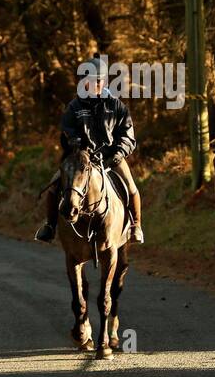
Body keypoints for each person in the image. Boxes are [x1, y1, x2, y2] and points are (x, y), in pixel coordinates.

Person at [35, 56, 144, 244]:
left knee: (131, 188)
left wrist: (119, 153)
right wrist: (77, 143)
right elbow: (67, 129)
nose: (93, 85)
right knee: (54, 187)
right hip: (82, 159)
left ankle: (136, 227)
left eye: (97, 81)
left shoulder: (116, 106)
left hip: (111, 158)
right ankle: (50, 226)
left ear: (104, 81)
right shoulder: (74, 107)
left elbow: (127, 135)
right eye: (88, 81)